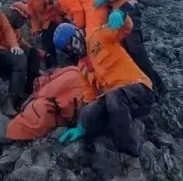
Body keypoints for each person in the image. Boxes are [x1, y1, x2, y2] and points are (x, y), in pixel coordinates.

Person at [52, 19, 156, 167]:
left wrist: (121, 15)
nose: (74, 49)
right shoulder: (82, 68)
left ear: (78, 33)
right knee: (88, 112)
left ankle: (129, 156)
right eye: (68, 48)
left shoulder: (98, 36)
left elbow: (125, 28)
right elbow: (89, 98)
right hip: (119, 103)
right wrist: (83, 124)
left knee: (114, 97)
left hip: (140, 91)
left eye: (72, 42)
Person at [92, 0, 166, 98]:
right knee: (128, 51)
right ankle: (151, 85)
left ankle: (154, 88)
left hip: (129, 9)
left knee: (136, 50)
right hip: (117, 13)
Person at [6, 1, 52, 93]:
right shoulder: (3, 25)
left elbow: (23, 44)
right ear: (15, 14)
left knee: (32, 52)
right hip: (3, 56)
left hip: (10, 55)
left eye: (24, 20)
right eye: (22, 18)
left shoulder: (16, 31)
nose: (22, 22)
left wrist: (42, 54)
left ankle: (30, 87)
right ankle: (17, 94)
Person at [21, 0, 64, 68]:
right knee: (47, 45)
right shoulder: (30, 0)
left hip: (60, 19)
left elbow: (62, 1)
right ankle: (53, 67)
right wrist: (36, 30)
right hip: (47, 24)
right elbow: (34, 17)